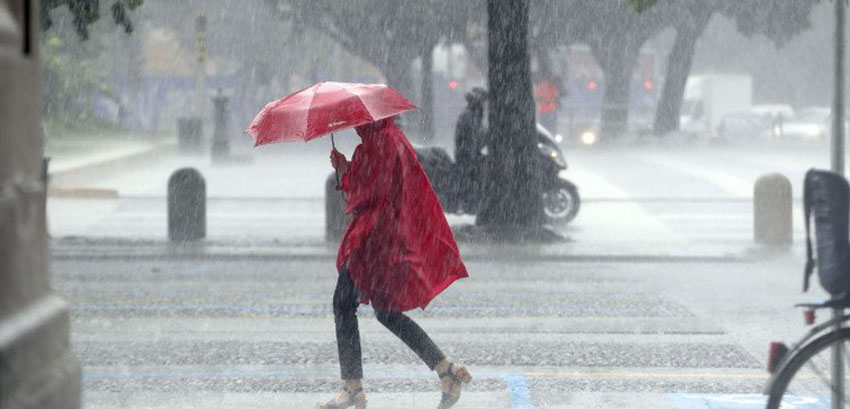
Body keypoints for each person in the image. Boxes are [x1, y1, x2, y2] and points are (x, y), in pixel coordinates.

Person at [322, 117, 471, 409]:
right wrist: (347, 167)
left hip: (375, 241)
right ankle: (446, 369)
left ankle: (353, 390)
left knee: (343, 304)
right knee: (386, 312)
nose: (355, 123)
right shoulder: (389, 138)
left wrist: (348, 171)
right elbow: (377, 184)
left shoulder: (382, 142)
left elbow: (372, 191)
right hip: (387, 239)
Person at [453, 88, 489, 207]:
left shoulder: (472, 114)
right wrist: (488, 136)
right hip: (467, 156)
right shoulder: (470, 116)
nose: (484, 105)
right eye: (483, 102)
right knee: (475, 178)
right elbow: (475, 138)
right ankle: (470, 203)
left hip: (468, 154)